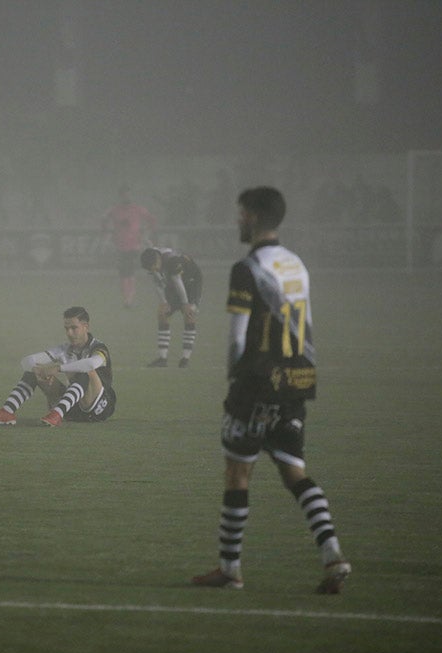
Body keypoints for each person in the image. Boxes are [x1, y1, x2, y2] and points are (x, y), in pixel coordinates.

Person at [192, 186, 351, 593]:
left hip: (258, 382)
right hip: (297, 380)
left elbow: (237, 337)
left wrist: (235, 379)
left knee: (237, 472)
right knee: (294, 470)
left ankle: (230, 570)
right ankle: (332, 553)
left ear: (253, 217)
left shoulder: (247, 268)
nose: (237, 220)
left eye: (240, 213)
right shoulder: (297, 264)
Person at [0, 306, 115, 427]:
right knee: (34, 370)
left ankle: (56, 414)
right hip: (72, 409)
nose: (69, 333)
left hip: (97, 407)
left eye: (74, 328)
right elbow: (27, 361)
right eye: (66, 329)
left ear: (86, 327)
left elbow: (91, 363)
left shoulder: (99, 348)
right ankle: (7, 412)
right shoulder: (64, 349)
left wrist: (57, 368)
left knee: (86, 371)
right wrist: (38, 370)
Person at [140, 246, 202, 368]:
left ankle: (185, 359)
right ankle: (162, 359)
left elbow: (178, 281)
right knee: (162, 314)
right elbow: (158, 283)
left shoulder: (171, 260)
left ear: (158, 259)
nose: (155, 270)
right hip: (174, 284)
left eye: (155, 267)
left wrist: (185, 304)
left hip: (191, 283)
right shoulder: (153, 259)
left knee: (189, 315)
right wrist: (164, 302)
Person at [102, 186, 156, 308]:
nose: (127, 197)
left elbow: (152, 220)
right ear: (120, 196)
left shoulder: (138, 209)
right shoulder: (115, 210)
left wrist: (146, 236)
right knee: (123, 273)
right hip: (120, 246)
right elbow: (103, 219)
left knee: (129, 272)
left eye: (128, 194)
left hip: (134, 245)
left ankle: (129, 299)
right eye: (124, 195)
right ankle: (127, 299)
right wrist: (107, 235)